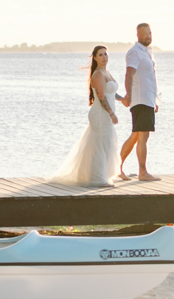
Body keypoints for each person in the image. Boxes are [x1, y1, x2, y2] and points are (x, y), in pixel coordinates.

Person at [48, 46, 121, 187]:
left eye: (106, 54)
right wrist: (112, 113)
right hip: (100, 114)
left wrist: (122, 99)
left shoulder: (107, 72)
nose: (104, 57)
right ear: (95, 58)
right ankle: (97, 178)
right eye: (100, 55)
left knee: (106, 144)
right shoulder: (98, 74)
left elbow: (111, 93)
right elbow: (100, 96)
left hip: (106, 115)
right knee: (100, 145)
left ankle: (99, 175)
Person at [119, 22, 160, 181]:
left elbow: (149, 78)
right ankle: (142, 172)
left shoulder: (147, 52)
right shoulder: (135, 52)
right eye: (144, 34)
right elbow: (129, 74)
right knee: (142, 136)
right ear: (138, 35)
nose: (148, 36)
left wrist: (154, 99)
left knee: (137, 135)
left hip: (147, 99)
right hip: (140, 100)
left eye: (149, 33)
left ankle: (117, 166)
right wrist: (128, 95)